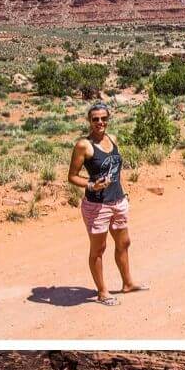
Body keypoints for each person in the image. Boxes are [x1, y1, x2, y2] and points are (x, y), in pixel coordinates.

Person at [68, 102, 147, 307]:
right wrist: (92, 184)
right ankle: (103, 292)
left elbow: (116, 171)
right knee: (99, 249)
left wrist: (123, 193)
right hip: (97, 205)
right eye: (95, 119)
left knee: (124, 242)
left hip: (118, 200)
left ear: (108, 119)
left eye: (103, 118)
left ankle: (127, 283)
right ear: (89, 121)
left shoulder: (113, 139)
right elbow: (72, 177)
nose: (100, 122)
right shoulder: (83, 146)